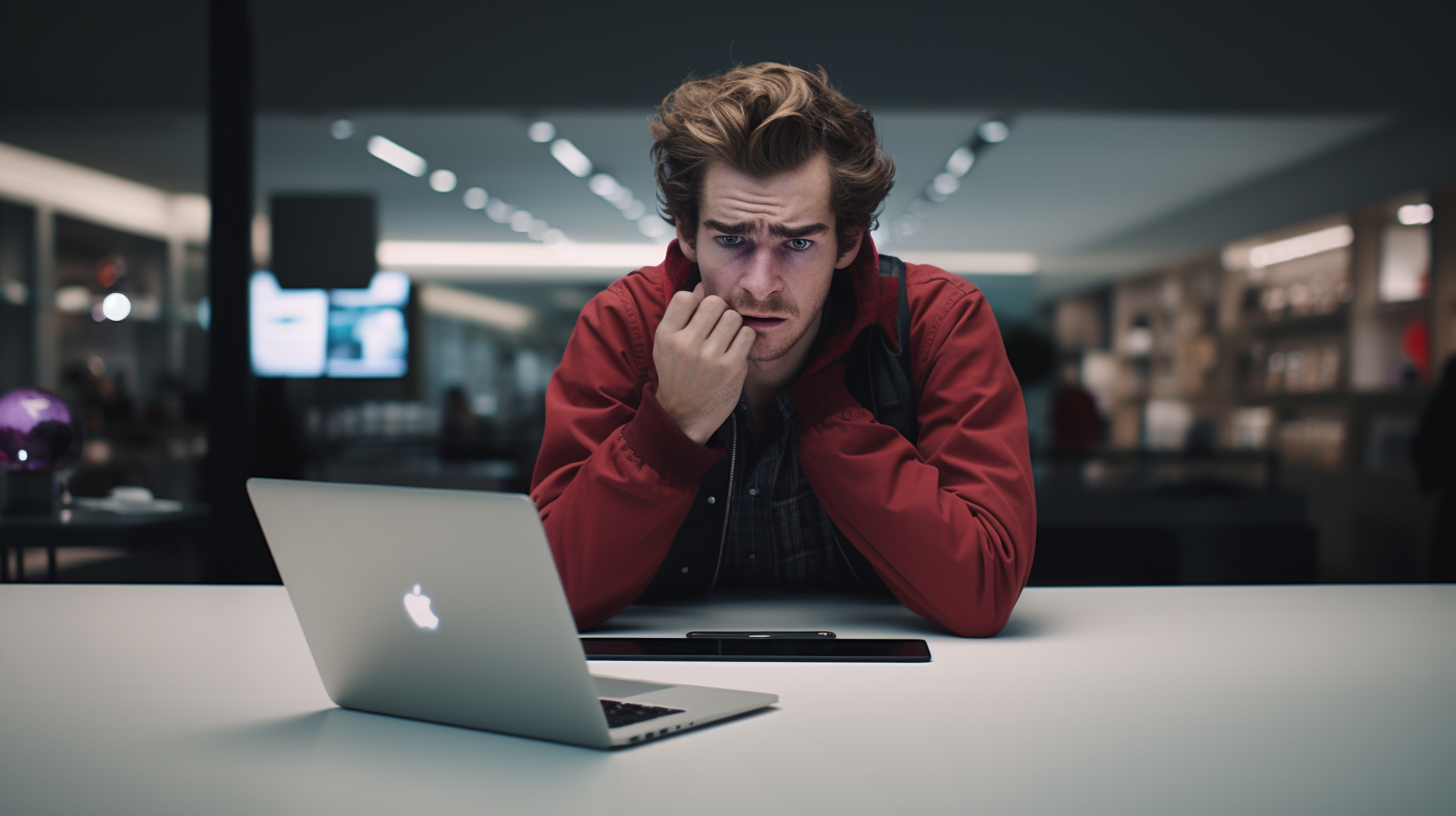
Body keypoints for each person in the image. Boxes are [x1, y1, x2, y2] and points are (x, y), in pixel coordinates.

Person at [529, 63, 1035, 636]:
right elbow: (549, 593)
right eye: (731, 239)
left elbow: (983, 590)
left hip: (891, 688)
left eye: (797, 242)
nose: (760, 284)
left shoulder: (937, 320)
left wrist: (822, 395)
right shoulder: (625, 325)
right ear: (687, 233)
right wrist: (672, 427)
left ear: (848, 239)